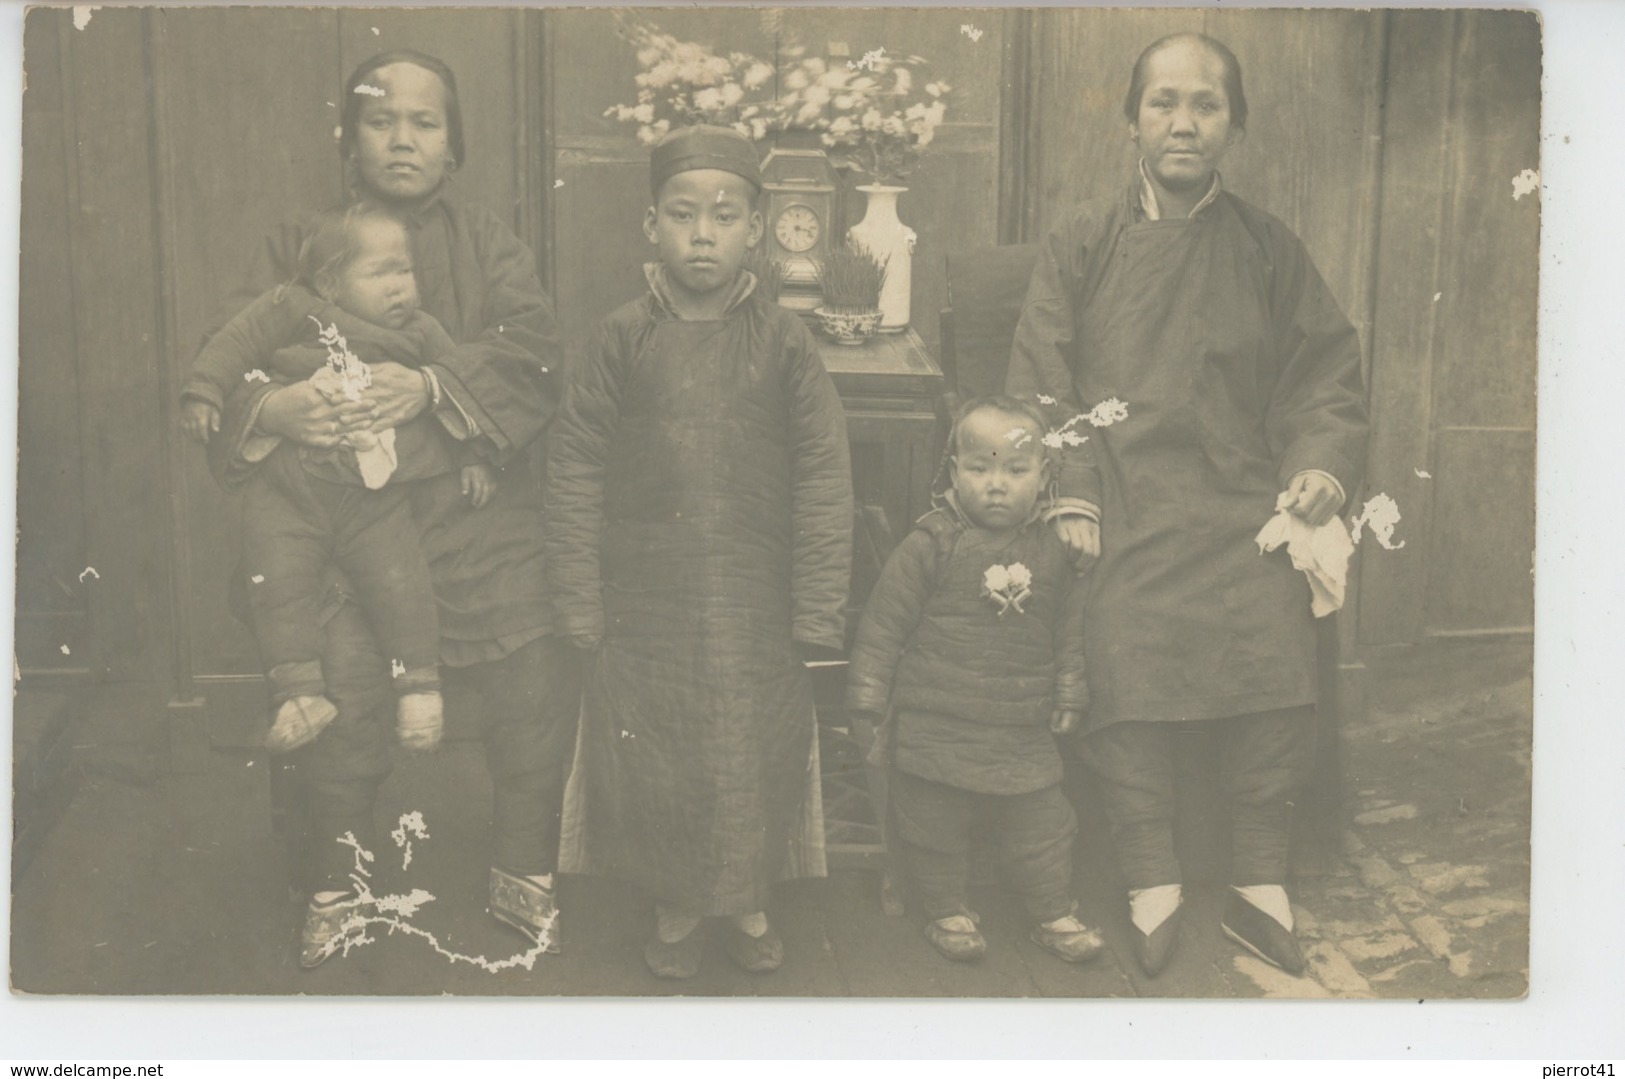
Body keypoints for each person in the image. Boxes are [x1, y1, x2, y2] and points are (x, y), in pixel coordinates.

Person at [202, 50, 577, 969]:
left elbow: (535, 351)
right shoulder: (299, 240)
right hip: (342, 525)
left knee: (533, 672)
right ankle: (338, 879)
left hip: (468, 513)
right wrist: (274, 407)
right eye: (381, 120)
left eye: (426, 122)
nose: (403, 139)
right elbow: (229, 345)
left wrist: (434, 384)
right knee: (339, 692)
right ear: (347, 136)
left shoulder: (487, 240)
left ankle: (525, 866)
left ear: (454, 143)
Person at [1006, 33, 1370, 977]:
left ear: (1233, 126)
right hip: (1121, 494)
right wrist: (1073, 489)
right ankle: (1148, 873)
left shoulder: (1265, 247)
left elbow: (1323, 377)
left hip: (1241, 495)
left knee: (1275, 617)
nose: (1182, 122)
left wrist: (1320, 467)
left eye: (1205, 104)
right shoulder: (1083, 243)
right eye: (1162, 102)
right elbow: (1042, 382)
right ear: (1132, 119)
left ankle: (1257, 879)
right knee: (1122, 622)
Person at [545, 125, 853, 980]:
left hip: (753, 591)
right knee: (662, 749)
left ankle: (748, 896)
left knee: (750, 742)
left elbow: (825, 469)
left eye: (725, 216)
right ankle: (676, 901)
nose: (704, 233)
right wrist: (578, 596)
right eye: (683, 215)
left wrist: (817, 601)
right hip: (645, 596)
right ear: (652, 225)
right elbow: (573, 465)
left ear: (758, 228)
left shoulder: (785, 342)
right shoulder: (619, 338)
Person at [183, 205, 493, 756]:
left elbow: (462, 385)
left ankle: (420, 688)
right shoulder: (293, 308)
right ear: (329, 282)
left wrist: (474, 454)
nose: (401, 287)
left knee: (402, 581)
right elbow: (235, 342)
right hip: (287, 492)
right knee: (275, 580)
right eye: (381, 274)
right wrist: (205, 391)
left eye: (407, 271)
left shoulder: (421, 331)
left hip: (372, 497)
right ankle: (298, 695)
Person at [845, 396, 1105, 965]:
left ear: (1044, 479)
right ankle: (946, 910)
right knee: (932, 823)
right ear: (953, 472)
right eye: (979, 468)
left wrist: (1070, 691)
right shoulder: (930, 545)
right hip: (937, 727)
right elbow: (885, 625)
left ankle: (1052, 910)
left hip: (1020, 728)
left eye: (1015, 470)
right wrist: (867, 694)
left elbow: (1070, 631)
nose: (996, 484)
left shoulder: (1054, 552)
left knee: (1044, 825)